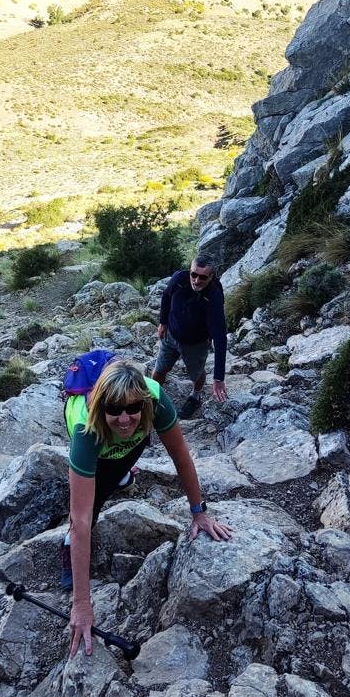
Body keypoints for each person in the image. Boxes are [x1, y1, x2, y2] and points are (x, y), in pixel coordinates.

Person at [63, 357, 232, 657]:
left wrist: (199, 512)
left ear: (144, 403)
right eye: (114, 409)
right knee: (95, 497)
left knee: (123, 455)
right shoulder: (85, 431)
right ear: (102, 407)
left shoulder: (155, 400)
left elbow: (180, 455)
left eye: (132, 408)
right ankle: (68, 543)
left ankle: (122, 474)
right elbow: (80, 519)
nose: (125, 417)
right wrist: (81, 603)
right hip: (97, 440)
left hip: (123, 443)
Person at [153, 254, 228, 419]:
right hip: (171, 335)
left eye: (202, 277)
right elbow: (166, 296)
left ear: (211, 277)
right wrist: (163, 322)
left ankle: (195, 395)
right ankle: (151, 400)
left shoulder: (214, 297)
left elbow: (220, 337)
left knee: (197, 373)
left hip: (196, 344)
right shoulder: (179, 279)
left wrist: (218, 378)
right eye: (194, 274)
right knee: (159, 370)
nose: (196, 280)